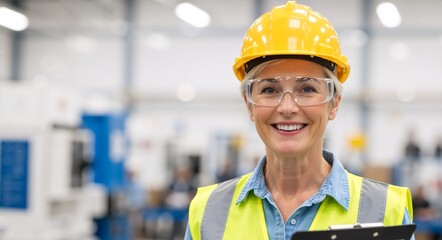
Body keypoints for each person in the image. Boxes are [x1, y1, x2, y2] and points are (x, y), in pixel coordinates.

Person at [185, 2, 414, 239]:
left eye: (306, 89)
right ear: (249, 105)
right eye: (270, 90)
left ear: (334, 103)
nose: (287, 107)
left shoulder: (385, 210)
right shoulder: (208, 211)